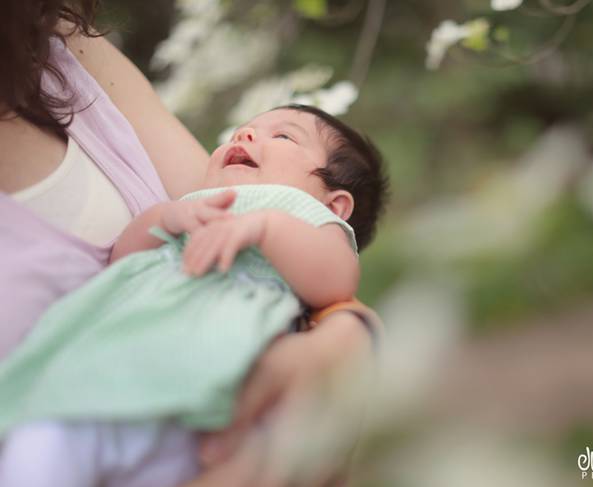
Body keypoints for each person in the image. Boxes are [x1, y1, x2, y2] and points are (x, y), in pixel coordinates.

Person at [0, 1, 383, 485]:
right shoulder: (204, 202)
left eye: (282, 135)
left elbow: (337, 281)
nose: (247, 132)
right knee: (38, 446)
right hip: (87, 381)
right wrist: (166, 216)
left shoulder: (298, 217)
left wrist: (267, 229)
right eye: (246, 129)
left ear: (336, 205)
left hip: (203, 392)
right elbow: (125, 260)